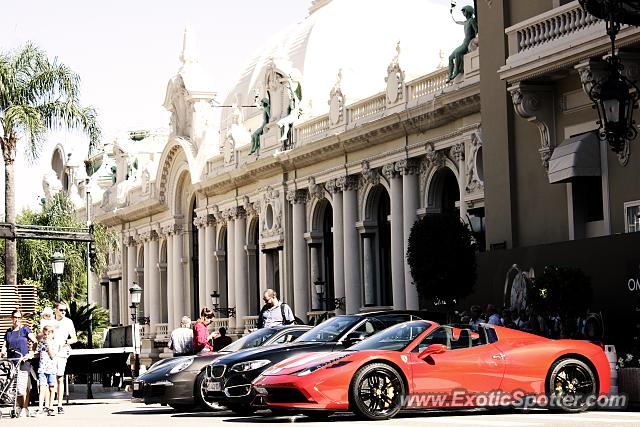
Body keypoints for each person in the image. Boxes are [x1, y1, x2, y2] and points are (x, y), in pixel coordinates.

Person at [1, 309, 37, 418]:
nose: (17, 320)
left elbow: (35, 341)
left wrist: (31, 353)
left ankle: (25, 408)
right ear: (12, 318)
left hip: (23, 360)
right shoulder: (8, 332)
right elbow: (4, 345)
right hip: (12, 361)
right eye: (15, 317)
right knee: (14, 385)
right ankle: (20, 406)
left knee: (23, 386)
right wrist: (2, 351)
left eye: (19, 317)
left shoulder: (25, 329)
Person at [51, 302, 77, 415]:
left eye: (65, 310)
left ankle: (60, 404)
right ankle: (50, 405)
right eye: (61, 310)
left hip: (62, 353)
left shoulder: (68, 322)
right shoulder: (50, 320)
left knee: (60, 378)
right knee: (50, 380)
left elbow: (74, 338)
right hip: (50, 352)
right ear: (56, 310)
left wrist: (65, 342)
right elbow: (42, 333)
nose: (63, 312)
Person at [446, 5, 478, 82]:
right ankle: (450, 76)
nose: (463, 13)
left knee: (457, 53)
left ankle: (456, 71)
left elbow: (476, 30)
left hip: (467, 43)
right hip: (464, 43)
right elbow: (457, 22)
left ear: (468, 11)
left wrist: (474, 41)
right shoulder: (466, 22)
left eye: (464, 11)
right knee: (450, 57)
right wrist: (451, 14)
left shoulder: (471, 21)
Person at [32, 325, 58, 417]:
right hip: (42, 369)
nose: (46, 336)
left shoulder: (55, 343)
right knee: (42, 388)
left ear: (52, 334)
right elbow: (40, 354)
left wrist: (49, 345)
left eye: (49, 334)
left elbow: (52, 355)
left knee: (51, 388)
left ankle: (51, 407)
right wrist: (32, 355)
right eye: (45, 334)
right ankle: (40, 408)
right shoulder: (42, 343)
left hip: (51, 369)